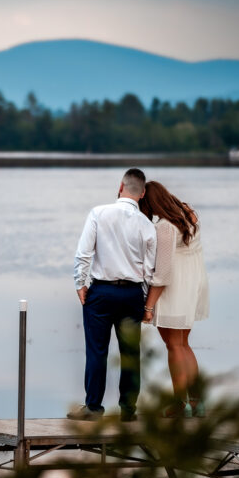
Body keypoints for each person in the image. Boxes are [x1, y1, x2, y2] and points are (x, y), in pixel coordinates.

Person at [70, 168, 157, 421]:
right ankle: (128, 410)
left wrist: (80, 283)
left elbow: (84, 253)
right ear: (141, 194)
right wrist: (145, 299)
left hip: (101, 292)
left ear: (121, 186)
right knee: (131, 353)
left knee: (97, 351)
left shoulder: (99, 213)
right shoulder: (147, 225)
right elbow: (150, 270)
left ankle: (94, 408)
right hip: (132, 294)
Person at [139, 180, 210, 418]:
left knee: (173, 346)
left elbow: (163, 272)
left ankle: (181, 404)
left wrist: (148, 306)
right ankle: (197, 402)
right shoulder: (188, 218)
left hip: (174, 289)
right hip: (192, 285)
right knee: (184, 344)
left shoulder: (165, 227)